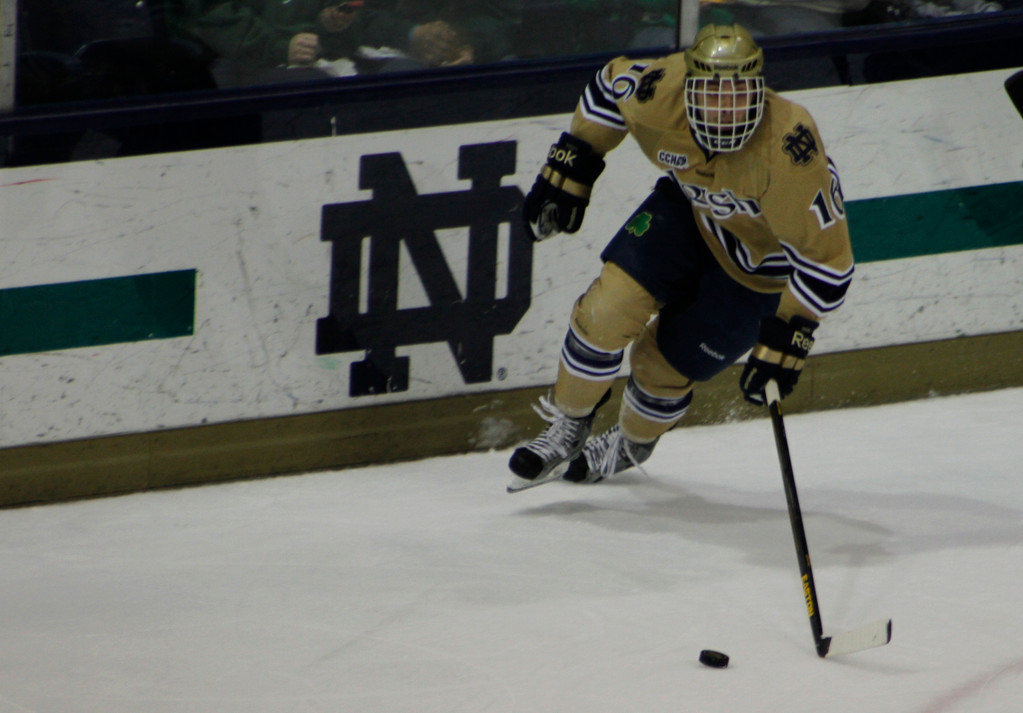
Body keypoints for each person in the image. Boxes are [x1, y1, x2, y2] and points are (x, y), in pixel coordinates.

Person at [507, 24, 854, 492]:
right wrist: (573, 161)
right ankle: (569, 424)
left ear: (760, 92)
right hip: (690, 215)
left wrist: (788, 339)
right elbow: (609, 86)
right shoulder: (659, 91)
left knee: (657, 366)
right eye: (712, 93)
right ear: (688, 87)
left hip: (760, 273)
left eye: (738, 94)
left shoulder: (790, 149)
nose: (725, 108)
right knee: (604, 312)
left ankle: (631, 443)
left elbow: (827, 263)